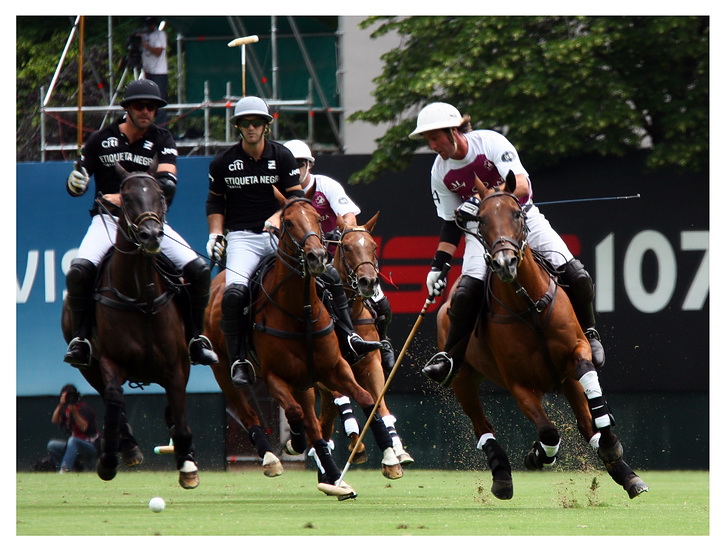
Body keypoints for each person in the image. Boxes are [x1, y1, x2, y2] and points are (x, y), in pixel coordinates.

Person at [409, 102, 605, 387]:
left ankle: (590, 333)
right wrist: (438, 266)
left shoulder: (490, 143)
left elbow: (521, 185)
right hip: (481, 232)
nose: (432, 145)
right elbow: (451, 222)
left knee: (577, 274)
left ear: (453, 131)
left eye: (435, 137)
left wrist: (478, 200)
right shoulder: (440, 172)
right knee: (465, 293)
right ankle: (450, 356)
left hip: (521, 217)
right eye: (428, 140)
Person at [205, 97, 381, 387]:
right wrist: (216, 233)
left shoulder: (282, 156)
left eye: (257, 122)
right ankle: (239, 360)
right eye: (246, 122)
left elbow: (297, 198)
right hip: (243, 238)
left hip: (283, 236)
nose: (251, 127)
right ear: (238, 126)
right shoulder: (222, 162)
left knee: (330, 277)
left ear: (266, 126)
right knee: (234, 294)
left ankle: (350, 338)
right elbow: (215, 201)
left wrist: (277, 217)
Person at [63, 78, 218, 369]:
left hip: (150, 223)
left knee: (198, 270)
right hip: (109, 222)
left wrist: (125, 196)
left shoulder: (162, 139)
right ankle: (82, 339)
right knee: (79, 272)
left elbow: (167, 185)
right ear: (128, 108)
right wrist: (76, 182)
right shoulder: (100, 139)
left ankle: (196, 337)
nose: (146, 111)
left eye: (152, 107)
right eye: (140, 106)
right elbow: (76, 187)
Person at [283, 139, 395, 371]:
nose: (295, 170)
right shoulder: (281, 191)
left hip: (336, 259)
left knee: (381, 302)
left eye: (300, 164)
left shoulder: (326, 185)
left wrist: (344, 229)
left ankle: (383, 341)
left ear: (309, 165)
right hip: (300, 262)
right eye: (290, 165)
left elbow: (349, 215)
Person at [46, 384, 99, 473]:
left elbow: (84, 427)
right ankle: (64, 468)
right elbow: (55, 420)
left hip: (90, 445)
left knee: (73, 440)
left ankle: (65, 469)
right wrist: (60, 404)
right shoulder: (66, 409)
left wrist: (74, 411)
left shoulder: (83, 408)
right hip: (73, 446)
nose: (69, 398)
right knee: (52, 445)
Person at [139, 17, 168, 126]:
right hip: (147, 72)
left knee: (159, 100)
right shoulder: (143, 35)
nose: (148, 27)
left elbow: (158, 52)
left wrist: (145, 45)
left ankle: (162, 128)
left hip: (159, 73)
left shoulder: (160, 34)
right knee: (147, 101)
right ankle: (148, 127)